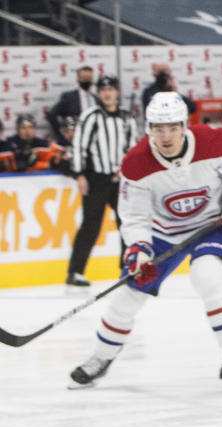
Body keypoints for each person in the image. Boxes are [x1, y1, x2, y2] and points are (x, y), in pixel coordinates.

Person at [68, 92, 222, 392]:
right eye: (158, 128)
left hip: (212, 223)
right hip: (164, 232)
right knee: (127, 296)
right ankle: (100, 358)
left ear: (184, 125)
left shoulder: (212, 139)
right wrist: (139, 249)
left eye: (172, 127)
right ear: (149, 129)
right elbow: (134, 218)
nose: (165, 135)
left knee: (207, 275)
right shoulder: (135, 163)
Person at [67, 76, 139, 287]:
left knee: (126, 224)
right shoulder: (91, 116)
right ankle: (75, 272)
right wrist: (80, 174)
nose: (107, 93)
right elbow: (79, 146)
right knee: (90, 225)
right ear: (98, 93)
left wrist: (127, 173)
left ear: (116, 91)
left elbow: (132, 148)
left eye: (110, 89)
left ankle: (126, 268)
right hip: (95, 179)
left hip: (120, 180)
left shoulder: (127, 116)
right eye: (103, 90)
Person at [46, 66, 98, 142]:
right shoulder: (69, 98)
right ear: (78, 79)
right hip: (75, 139)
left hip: (95, 139)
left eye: (89, 78)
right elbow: (52, 115)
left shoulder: (97, 99)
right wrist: (61, 134)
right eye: (84, 78)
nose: (87, 80)